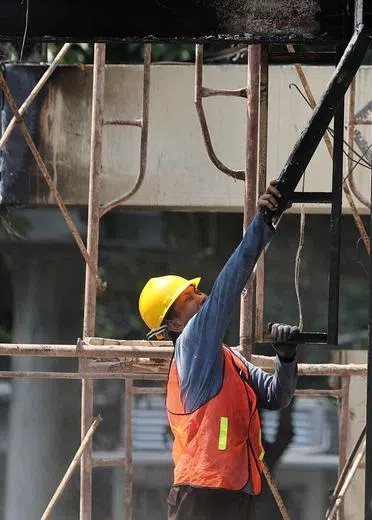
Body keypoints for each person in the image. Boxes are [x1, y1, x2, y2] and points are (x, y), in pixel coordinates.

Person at [137, 182, 301, 520]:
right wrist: (263, 224)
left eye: (196, 291)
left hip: (236, 490)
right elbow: (227, 290)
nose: (201, 297)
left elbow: (276, 396)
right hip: (202, 493)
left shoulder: (229, 359)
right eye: (188, 299)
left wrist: (285, 358)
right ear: (174, 326)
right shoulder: (191, 346)